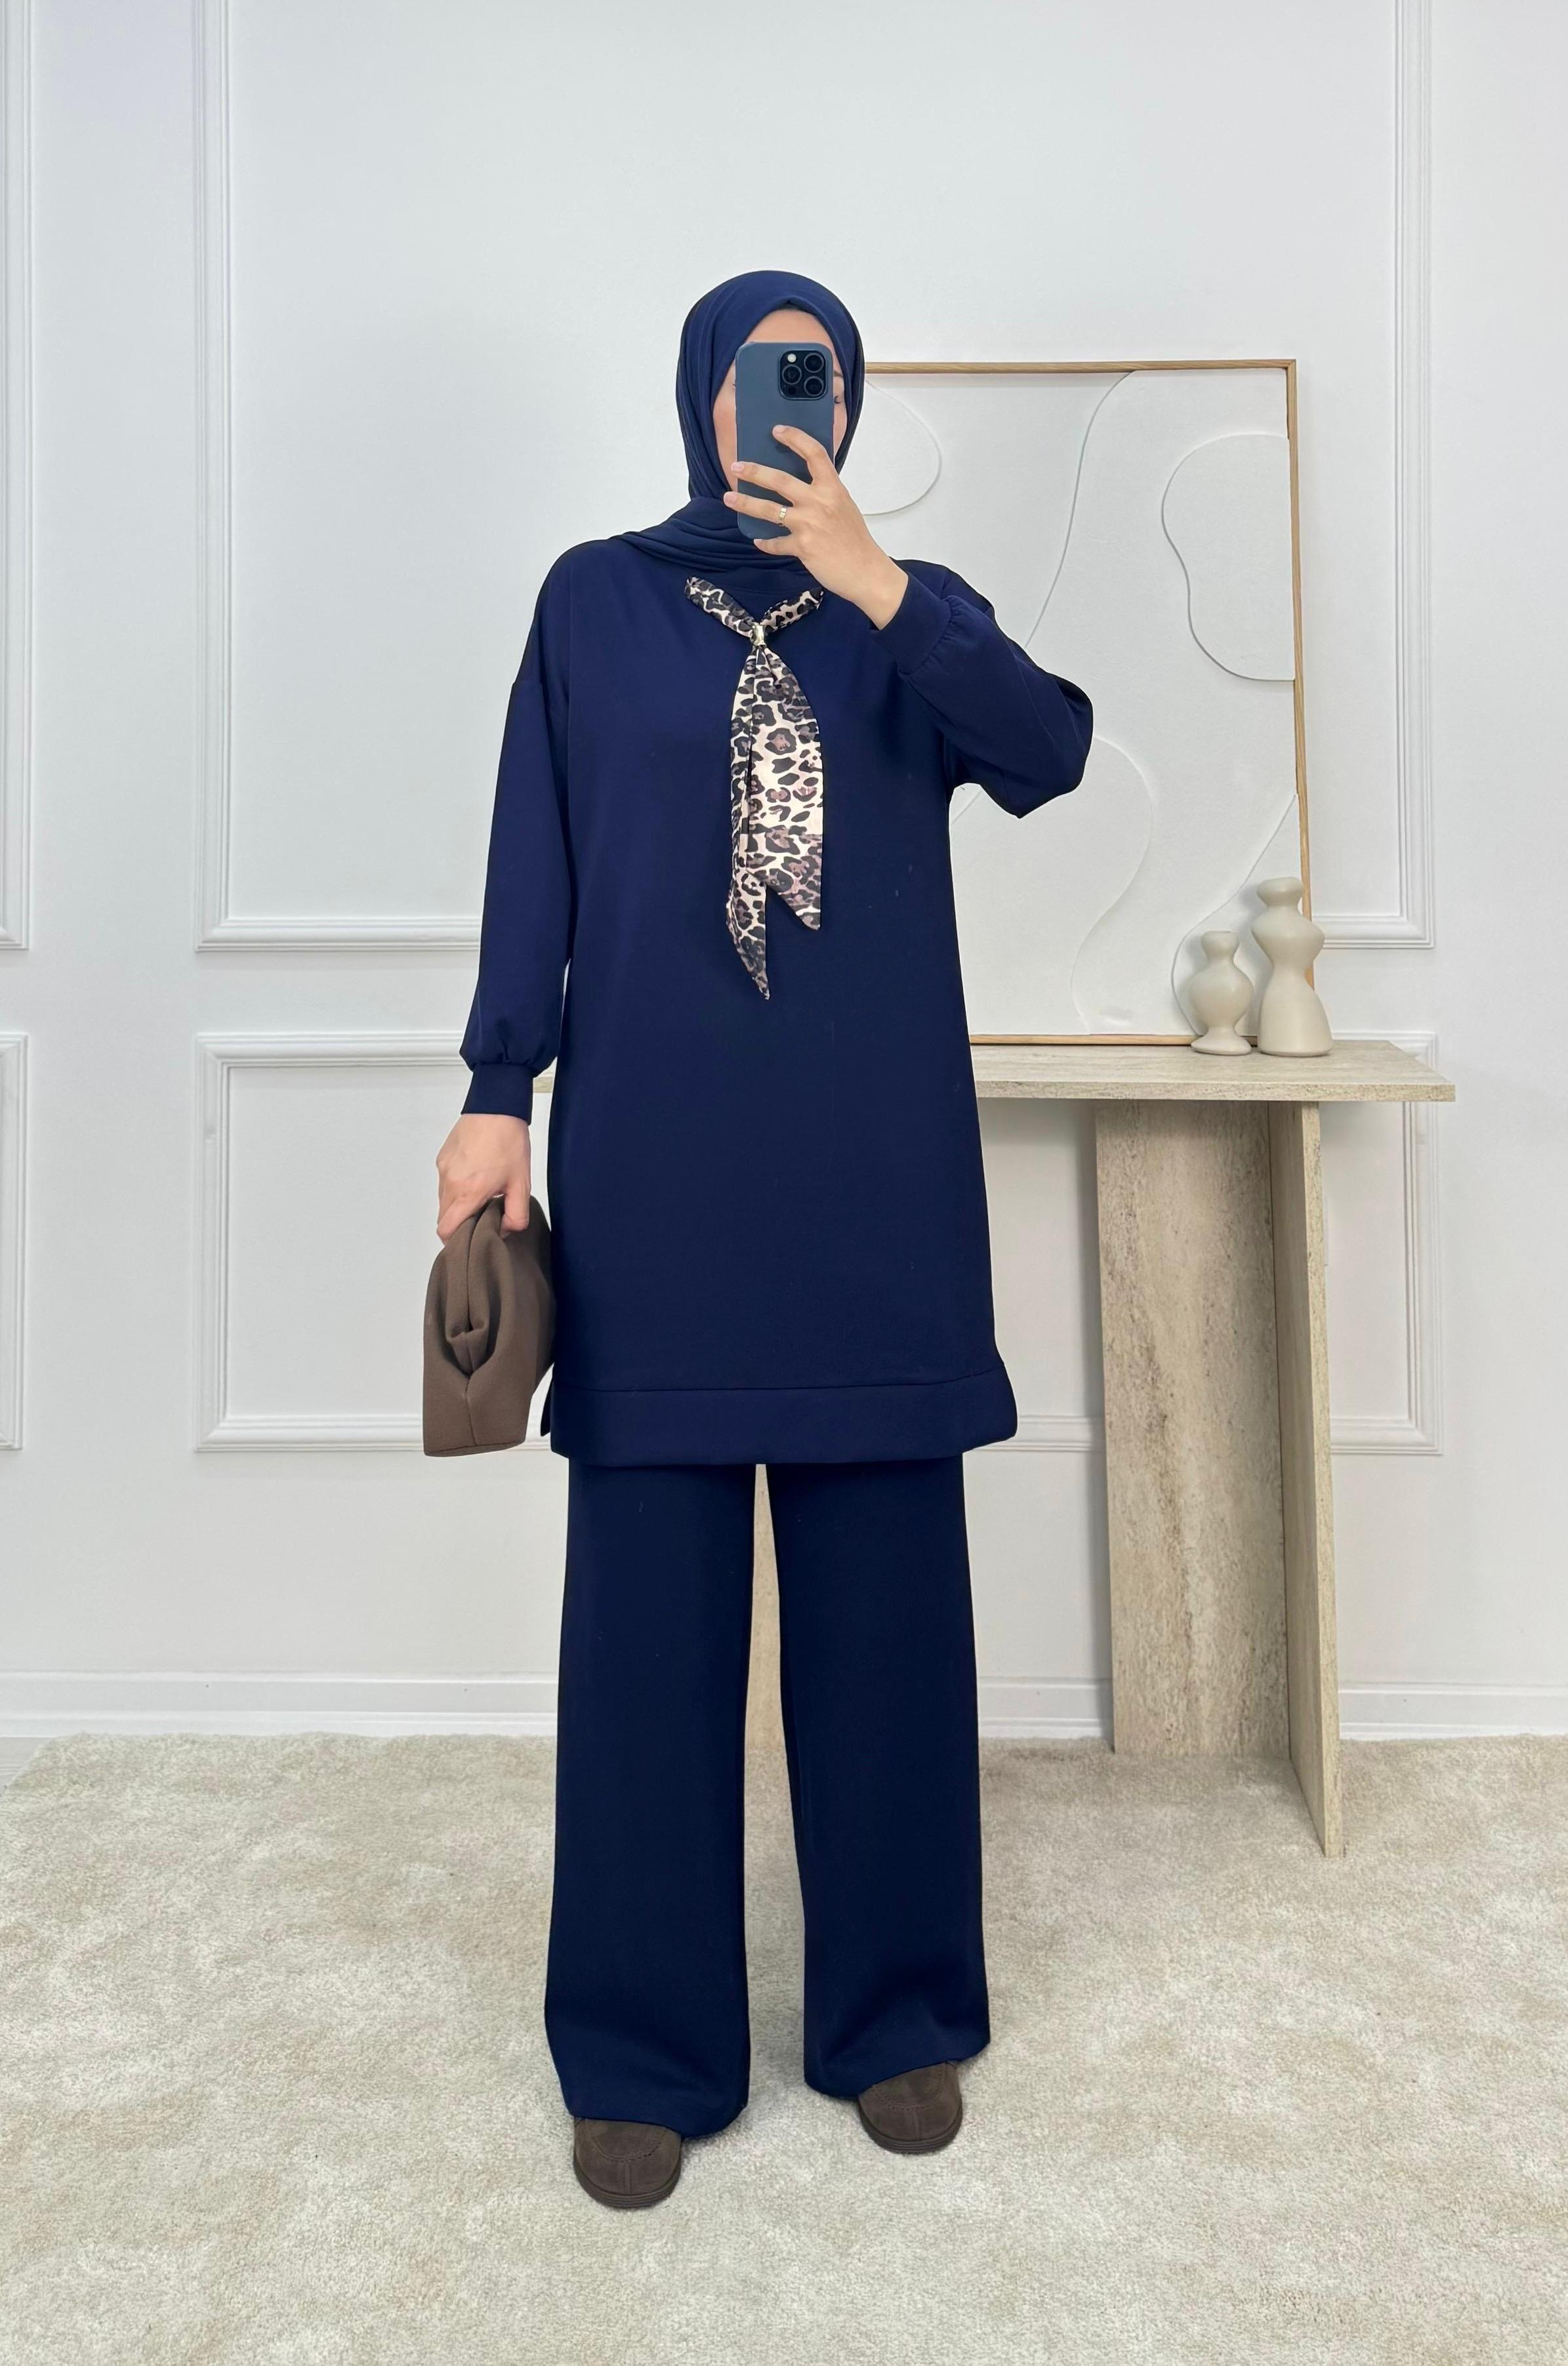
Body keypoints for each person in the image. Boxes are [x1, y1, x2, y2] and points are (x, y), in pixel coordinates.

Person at [434, 270, 1093, 2209]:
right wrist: (495, 1088)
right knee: (646, 1635)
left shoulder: (912, 615)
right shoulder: (593, 601)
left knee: (887, 1621)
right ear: (700, 397)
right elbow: (536, 856)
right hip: (658, 1181)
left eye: (825, 376)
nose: (796, 404)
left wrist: (882, 584)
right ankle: (642, 2049)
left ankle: (897, 2016)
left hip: (874, 1186)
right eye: (765, 371)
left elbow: (1049, 750)